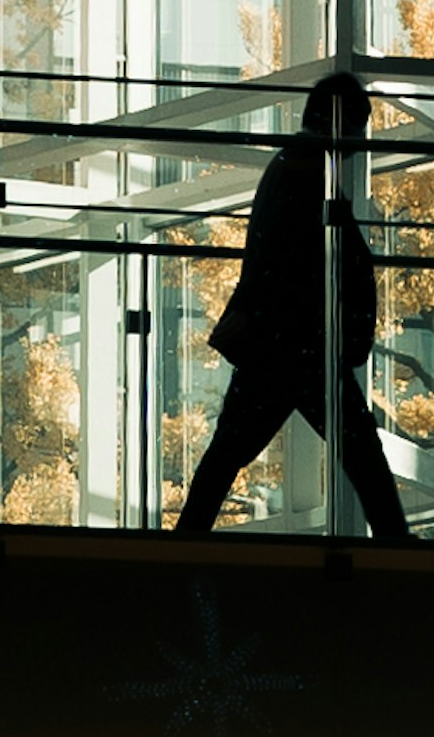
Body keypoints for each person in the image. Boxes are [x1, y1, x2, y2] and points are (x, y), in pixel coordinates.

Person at [174, 68, 411, 543]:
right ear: (336, 122)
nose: (358, 144)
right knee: (359, 447)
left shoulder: (291, 165)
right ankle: (394, 538)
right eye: (356, 130)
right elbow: (317, 261)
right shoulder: (309, 171)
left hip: (281, 341)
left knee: (233, 447)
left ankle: (187, 535)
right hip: (301, 344)